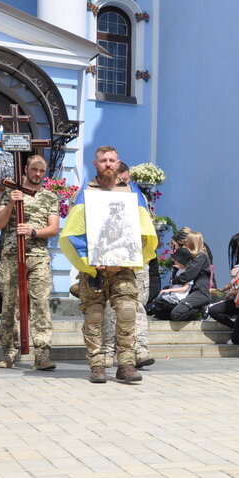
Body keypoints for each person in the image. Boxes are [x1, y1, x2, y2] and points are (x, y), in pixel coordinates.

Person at [62, 146, 156, 384]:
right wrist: (89, 259)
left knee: (127, 311)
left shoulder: (131, 192)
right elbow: (75, 230)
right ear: (95, 163)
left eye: (112, 160)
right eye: (103, 160)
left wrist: (135, 254)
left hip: (123, 267)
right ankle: (97, 365)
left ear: (118, 163)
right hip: (95, 269)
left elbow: (144, 226)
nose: (107, 164)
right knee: (94, 315)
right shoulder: (85, 193)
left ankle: (126, 364)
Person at [0, 155, 59, 370]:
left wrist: (33, 231)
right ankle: (9, 352)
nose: (37, 174)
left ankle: (42, 354)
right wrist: (12, 202)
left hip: (38, 257)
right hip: (12, 255)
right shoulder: (9, 193)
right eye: (34, 170)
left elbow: (53, 229)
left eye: (41, 171)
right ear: (25, 169)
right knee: (10, 304)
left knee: (40, 303)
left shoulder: (49, 197)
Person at [101, 161, 154, 370]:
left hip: (136, 261)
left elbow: (146, 227)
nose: (124, 182)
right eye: (120, 179)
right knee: (110, 307)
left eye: (125, 179)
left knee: (137, 305)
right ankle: (108, 350)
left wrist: (139, 255)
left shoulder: (138, 196)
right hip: (110, 261)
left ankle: (140, 349)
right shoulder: (101, 196)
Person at [208, 233, 239, 345]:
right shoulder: (238, 262)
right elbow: (236, 281)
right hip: (237, 301)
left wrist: (232, 292)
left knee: (236, 340)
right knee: (213, 310)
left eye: (233, 247)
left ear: (238, 245)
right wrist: (224, 288)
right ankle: (235, 327)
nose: (232, 250)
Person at [159, 231, 212, 321]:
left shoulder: (201, 256)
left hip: (199, 292)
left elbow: (188, 275)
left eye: (187, 241)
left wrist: (174, 281)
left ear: (192, 242)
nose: (184, 243)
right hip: (191, 291)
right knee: (163, 311)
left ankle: (200, 309)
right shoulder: (193, 256)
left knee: (176, 314)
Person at [147, 247, 197, 318]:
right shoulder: (179, 270)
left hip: (179, 297)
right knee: (157, 307)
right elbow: (173, 284)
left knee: (159, 301)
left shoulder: (188, 272)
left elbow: (185, 288)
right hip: (173, 294)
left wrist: (170, 290)